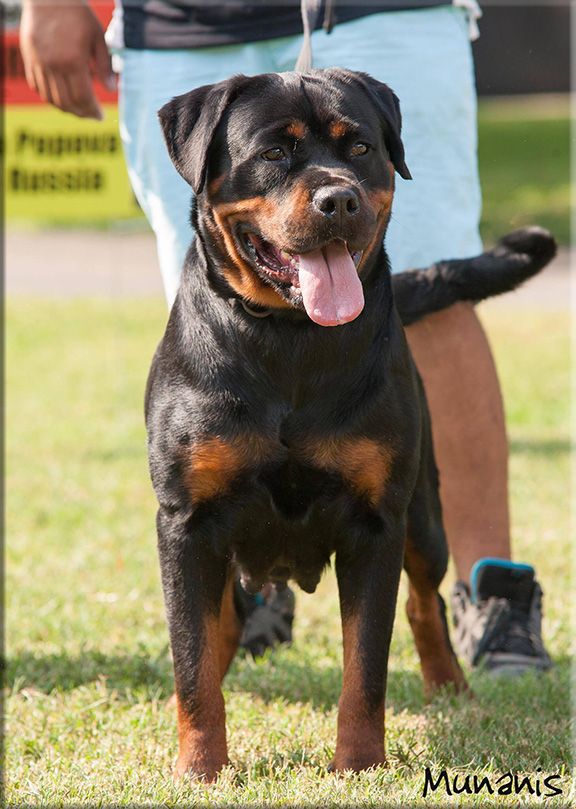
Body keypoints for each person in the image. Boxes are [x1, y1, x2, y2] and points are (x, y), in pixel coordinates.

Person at [20, 0, 552, 675]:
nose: (333, 187)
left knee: (433, 312)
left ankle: (490, 592)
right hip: (182, 21)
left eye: (357, 153)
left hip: (381, 11)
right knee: (214, 305)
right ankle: (253, 581)